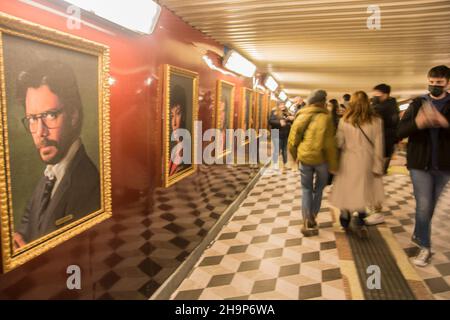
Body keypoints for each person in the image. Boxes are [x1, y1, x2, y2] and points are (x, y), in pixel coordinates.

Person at [14, 60, 100, 248]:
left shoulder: (88, 182)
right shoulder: (49, 177)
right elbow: (26, 230)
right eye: (32, 119)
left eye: (50, 115)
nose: (40, 132)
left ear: (74, 115)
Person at [397, 65, 450, 267]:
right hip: (420, 164)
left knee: (430, 207)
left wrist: (443, 122)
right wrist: (418, 123)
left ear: (448, 83)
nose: (434, 86)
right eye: (431, 82)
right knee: (424, 205)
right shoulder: (418, 103)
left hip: (444, 165)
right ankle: (425, 248)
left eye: (439, 83)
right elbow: (400, 132)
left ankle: (419, 234)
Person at [330, 91, 384, 239]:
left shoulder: (344, 120)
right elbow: (379, 145)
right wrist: (378, 166)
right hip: (367, 160)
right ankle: (360, 219)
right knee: (362, 190)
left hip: (348, 159)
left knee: (348, 189)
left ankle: (345, 216)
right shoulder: (376, 121)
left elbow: (339, 142)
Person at [288, 90, 338, 237]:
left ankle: (306, 219)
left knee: (306, 189)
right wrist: (333, 164)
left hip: (305, 158)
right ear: (323, 102)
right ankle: (312, 217)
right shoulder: (326, 117)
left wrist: (295, 155)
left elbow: (293, 139)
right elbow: (329, 144)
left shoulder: (301, 115)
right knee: (319, 189)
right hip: (322, 161)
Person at [365, 83, 400, 225]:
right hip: (385, 148)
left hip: (380, 149)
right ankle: (374, 208)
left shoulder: (382, 108)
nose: (374, 97)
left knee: (374, 179)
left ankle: (376, 211)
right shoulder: (393, 106)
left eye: (376, 94)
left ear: (385, 94)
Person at [169, 85, 190, 176]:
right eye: (171, 116)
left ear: (184, 115)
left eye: (178, 114)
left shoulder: (188, 151)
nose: (174, 123)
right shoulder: (171, 149)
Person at [269, 101, 294, 170]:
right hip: (276, 133)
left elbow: (289, 122)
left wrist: (291, 119)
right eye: (281, 105)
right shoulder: (274, 112)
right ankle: (275, 165)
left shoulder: (286, 113)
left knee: (284, 150)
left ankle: (285, 164)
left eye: (283, 105)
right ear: (278, 106)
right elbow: (270, 121)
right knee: (277, 150)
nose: (282, 106)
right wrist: (279, 122)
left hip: (285, 134)